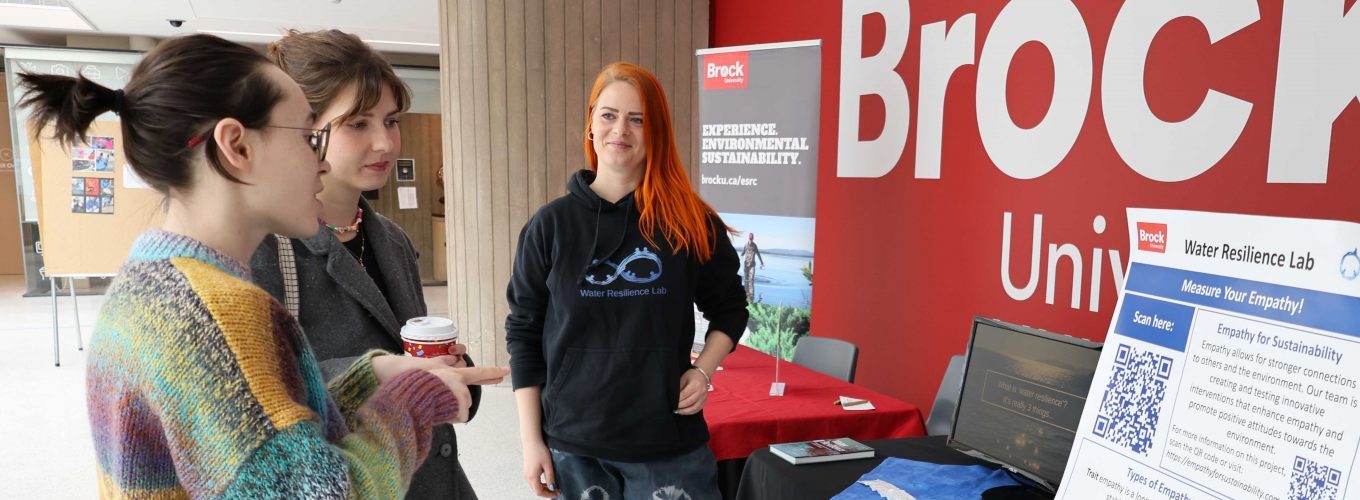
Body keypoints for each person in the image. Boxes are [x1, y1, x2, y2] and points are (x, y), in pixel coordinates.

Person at [20, 34, 507, 498]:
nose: (319, 163)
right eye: (307, 137)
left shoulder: (157, 283)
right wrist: (414, 399)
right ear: (236, 146)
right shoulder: (213, 314)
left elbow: (257, 440)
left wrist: (379, 373)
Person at [248, 29, 481, 499]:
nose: (385, 143)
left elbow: (408, 347)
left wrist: (452, 370)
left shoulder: (390, 238)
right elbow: (257, 399)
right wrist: (382, 372)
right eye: (357, 124)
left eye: (391, 120)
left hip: (430, 479)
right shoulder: (262, 248)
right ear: (302, 128)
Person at [506, 62, 750, 499]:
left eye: (638, 119)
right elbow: (523, 332)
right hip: (574, 445)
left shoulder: (690, 223)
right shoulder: (550, 226)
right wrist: (531, 441)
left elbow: (730, 308)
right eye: (609, 115)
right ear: (590, 123)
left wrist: (703, 372)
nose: (621, 129)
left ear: (656, 131)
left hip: (668, 441)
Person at [741, 232, 766, 302]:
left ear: (753, 238)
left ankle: (750, 293)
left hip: (752, 265)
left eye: (752, 238)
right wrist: (741, 256)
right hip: (746, 265)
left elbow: (758, 254)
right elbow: (742, 253)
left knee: (751, 280)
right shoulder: (745, 245)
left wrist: (762, 262)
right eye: (750, 238)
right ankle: (746, 290)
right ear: (748, 238)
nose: (751, 240)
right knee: (746, 280)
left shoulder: (755, 246)